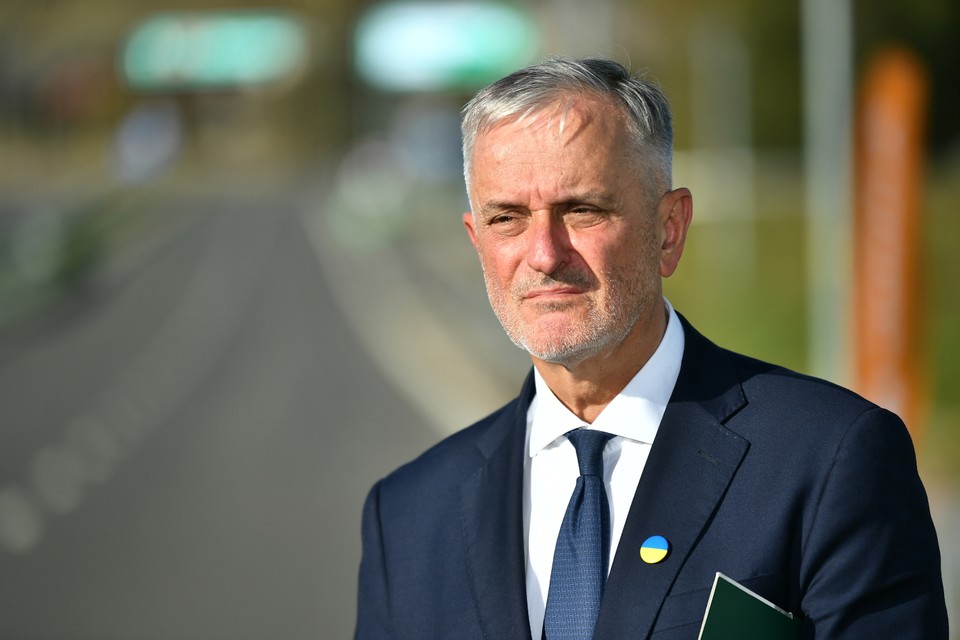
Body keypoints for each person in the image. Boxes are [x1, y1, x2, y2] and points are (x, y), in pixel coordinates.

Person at [354, 57, 948, 639]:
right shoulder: (406, 517)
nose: (544, 254)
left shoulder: (828, 460)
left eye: (582, 210)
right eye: (507, 219)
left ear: (669, 229)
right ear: (476, 240)